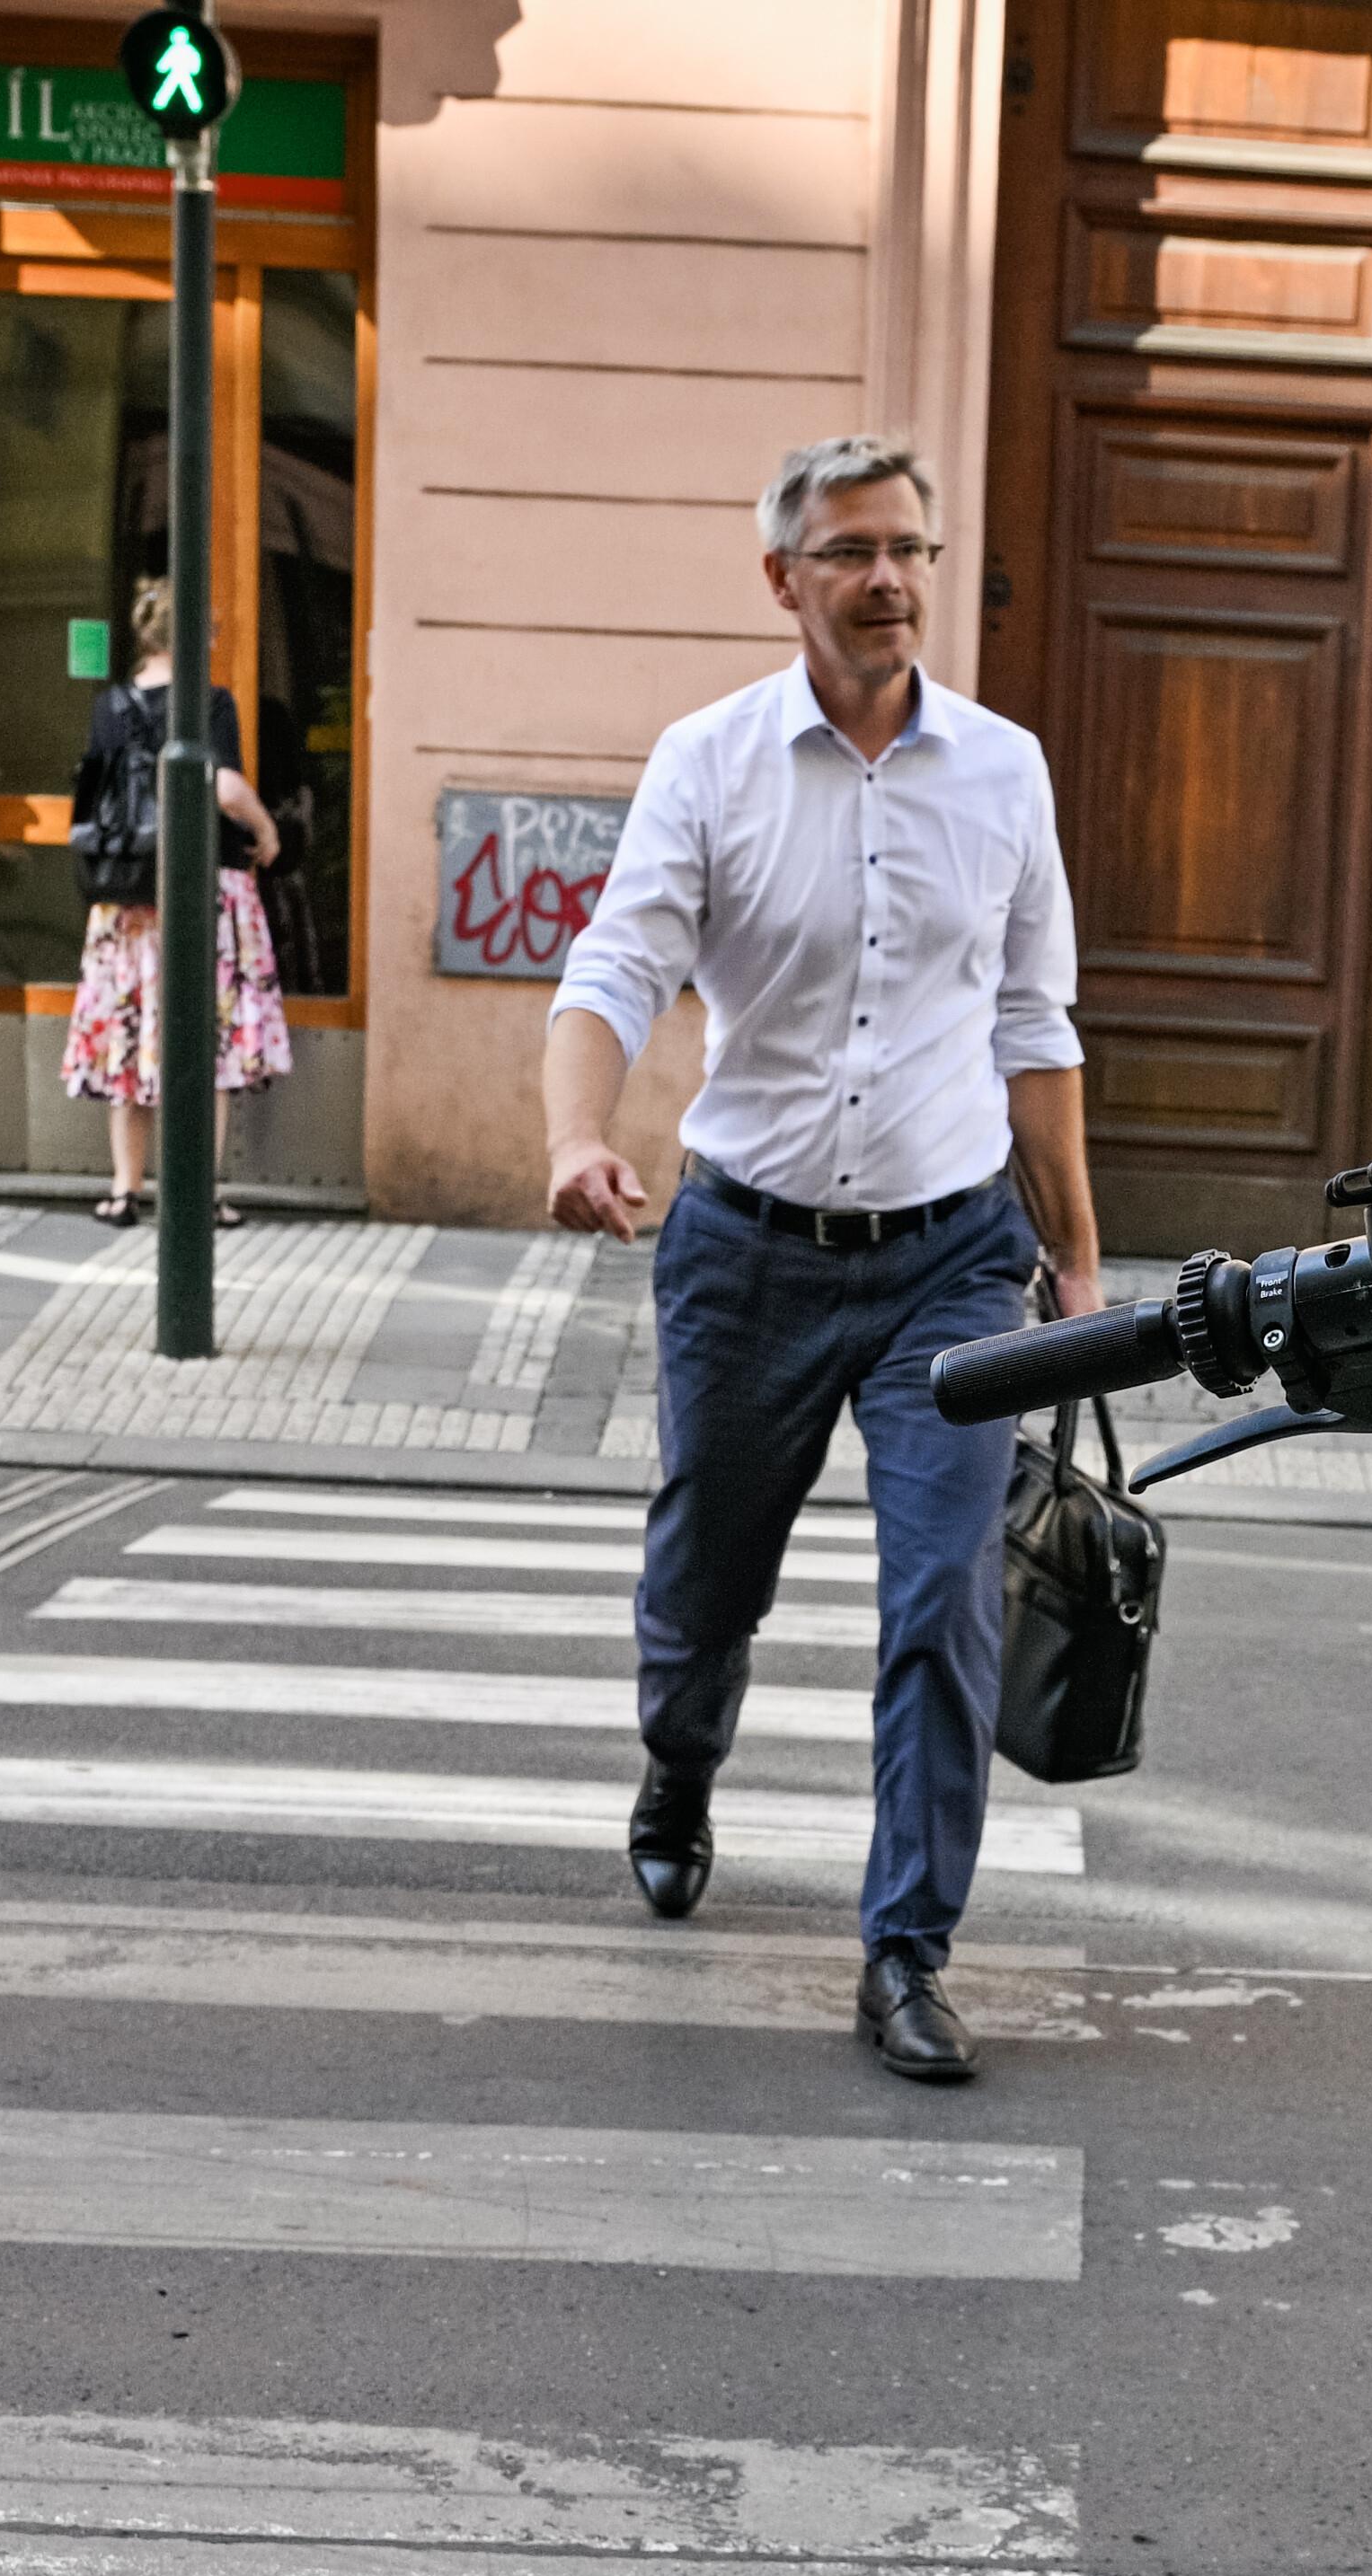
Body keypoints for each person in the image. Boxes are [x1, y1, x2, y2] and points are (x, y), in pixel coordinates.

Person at [541, 429, 1098, 2087]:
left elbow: (1033, 1021)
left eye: (910, 550)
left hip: (949, 1256)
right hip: (744, 1244)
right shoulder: (707, 761)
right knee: (707, 1573)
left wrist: (1073, 1258)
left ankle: (906, 1948)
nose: (887, 580)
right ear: (782, 578)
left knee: (945, 1601)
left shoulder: (1004, 770)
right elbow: (616, 967)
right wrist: (580, 1133)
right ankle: (677, 1760)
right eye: (851, 551)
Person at [63, 581, 288, 1228]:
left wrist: (125, 885)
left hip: (127, 902)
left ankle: (123, 1189)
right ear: (194, 639)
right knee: (204, 1045)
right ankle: (200, 1192)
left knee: (131, 1045)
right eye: (210, 633)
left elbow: (98, 798)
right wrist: (266, 829)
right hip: (200, 891)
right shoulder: (209, 703)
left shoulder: (110, 705)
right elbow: (222, 784)